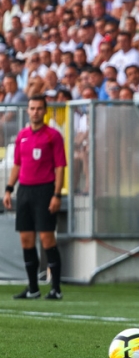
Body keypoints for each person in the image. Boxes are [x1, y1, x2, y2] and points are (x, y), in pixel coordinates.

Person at [4, 95, 66, 300]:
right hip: (24, 191)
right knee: (26, 239)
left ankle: (56, 288)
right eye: (32, 108)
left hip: (45, 190)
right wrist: (9, 189)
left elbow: (60, 167)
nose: (35, 112)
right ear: (28, 110)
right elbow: (17, 165)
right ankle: (33, 288)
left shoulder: (53, 136)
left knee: (47, 239)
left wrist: (56, 194)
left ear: (45, 111)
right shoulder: (22, 135)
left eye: (39, 108)